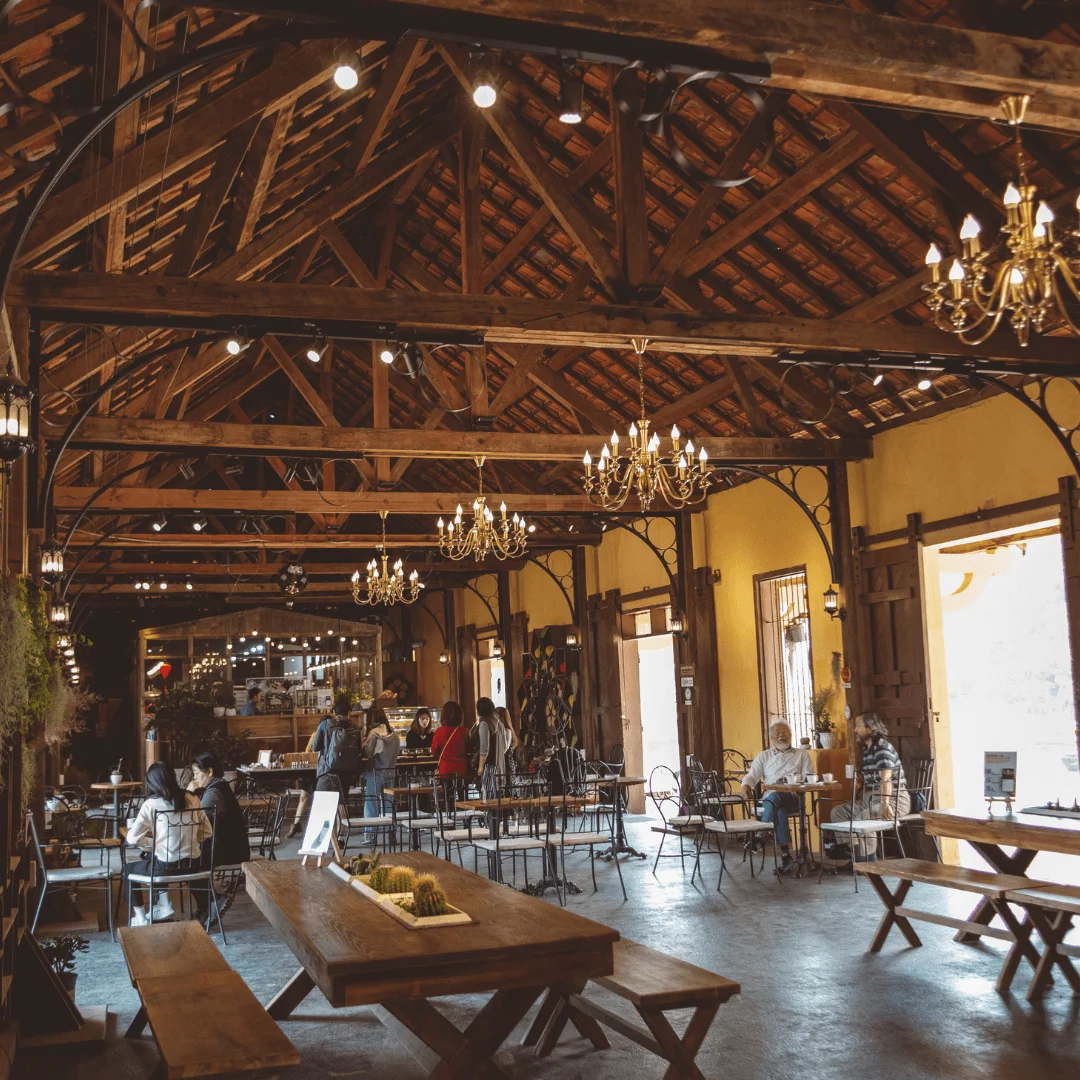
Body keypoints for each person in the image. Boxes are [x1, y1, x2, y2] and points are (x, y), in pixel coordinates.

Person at [124, 761, 211, 926]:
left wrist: (153, 842)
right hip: (194, 864)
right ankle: (163, 904)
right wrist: (189, 840)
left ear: (152, 782)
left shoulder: (151, 804)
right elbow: (208, 832)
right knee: (154, 855)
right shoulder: (192, 798)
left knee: (129, 869)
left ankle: (141, 918)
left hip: (165, 867)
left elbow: (132, 839)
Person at [827, 712, 910, 865]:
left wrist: (885, 804)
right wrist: (863, 781)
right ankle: (857, 857)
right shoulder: (867, 749)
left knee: (863, 818)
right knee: (838, 813)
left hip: (893, 798)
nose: (855, 730)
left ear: (870, 728)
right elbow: (876, 777)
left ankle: (870, 863)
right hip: (870, 798)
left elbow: (886, 778)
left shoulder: (881, 748)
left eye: (858, 726)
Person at [740, 720, 813, 874]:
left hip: (794, 798)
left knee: (776, 800)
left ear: (791, 735)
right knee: (778, 809)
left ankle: (759, 835)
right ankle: (786, 858)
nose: (781, 735)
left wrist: (797, 786)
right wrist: (745, 787)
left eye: (784, 732)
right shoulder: (763, 756)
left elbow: (809, 776)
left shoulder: (801, 754)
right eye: (777, 733)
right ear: (771, 738)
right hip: (770, 800)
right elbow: (752, 775)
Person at [189, 752, 250, 865]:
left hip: (229, 852)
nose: (194, 777)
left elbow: (195, 821)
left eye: (196, 773)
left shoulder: (214, 793)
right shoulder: (219, 785)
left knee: (184, 858)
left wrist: (188, 793)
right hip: (231, 848)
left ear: (210, 772)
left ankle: (200, 882)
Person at [310, 693, 361, 796]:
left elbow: (315, 747)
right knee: (342, 805)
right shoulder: (355, 728)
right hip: (346, 773)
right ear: (349, 712)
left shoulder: (325, 724)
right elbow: (359, 750)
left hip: (327, 771)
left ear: (334, 711)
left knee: (323, 805)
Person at [361, 707, 400, 837]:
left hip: (375, 772)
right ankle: (391, 831)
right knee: (389, 803)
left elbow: (367, 753)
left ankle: (371, 834)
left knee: (372, 803)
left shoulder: (374, 734)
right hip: (390, 772)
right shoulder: (393, 734)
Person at [431, 700, 467, 778]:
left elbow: (434, 751)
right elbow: (468, 748)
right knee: (462, 789)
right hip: (461, 769)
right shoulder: (464, 731)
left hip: (445, 769)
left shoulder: (439, 731)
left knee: (447, 790)